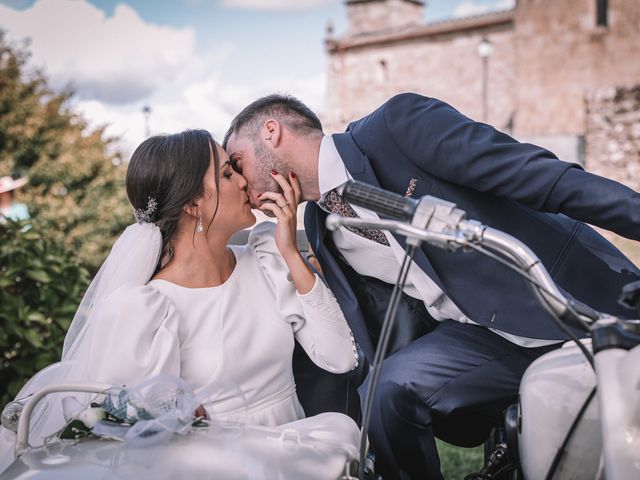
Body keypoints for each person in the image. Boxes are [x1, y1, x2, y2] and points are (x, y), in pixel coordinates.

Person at [223, 92, 640, 479]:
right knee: (386, 391)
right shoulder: (316, 224)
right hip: (480, 339)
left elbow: (539, 176)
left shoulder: (395, 127)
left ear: (271, 132)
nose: (240, 182)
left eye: (236, 162)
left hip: (567, 295)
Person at [0, 129, 359, 474]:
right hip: (214, 466)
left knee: (342, 431)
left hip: (293, 448)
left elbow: (341, 358)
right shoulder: (146, 309)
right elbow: (130, 441)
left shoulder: (266, 258)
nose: (244, 180)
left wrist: (290, 252)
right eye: (227, 172)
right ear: (193, 204)